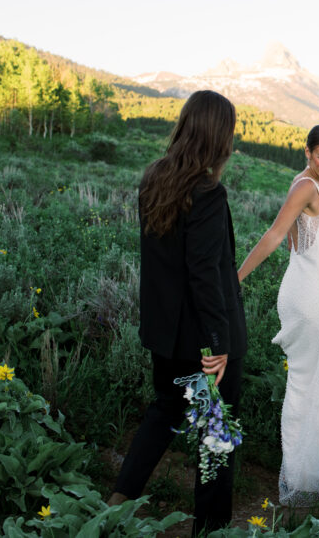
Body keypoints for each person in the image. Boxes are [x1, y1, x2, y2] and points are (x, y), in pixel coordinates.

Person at [109, 90, 247, 534]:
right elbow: (204, 274)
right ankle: (209, 529)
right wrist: (220, 345)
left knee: (163, 411)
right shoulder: (207, 192)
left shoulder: (154, 179)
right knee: (215, 436)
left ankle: (115, 504)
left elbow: (161, 265)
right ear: (216, 136)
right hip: (203, 343)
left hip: (165, 335)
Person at [238, 123, 319, 508]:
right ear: (307, 152)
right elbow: (275, 234)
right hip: (316, 301)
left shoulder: (306, 184)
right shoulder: (306, 186)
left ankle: (316, 474)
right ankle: (309, 482)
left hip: (315, 295)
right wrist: (234, 279)